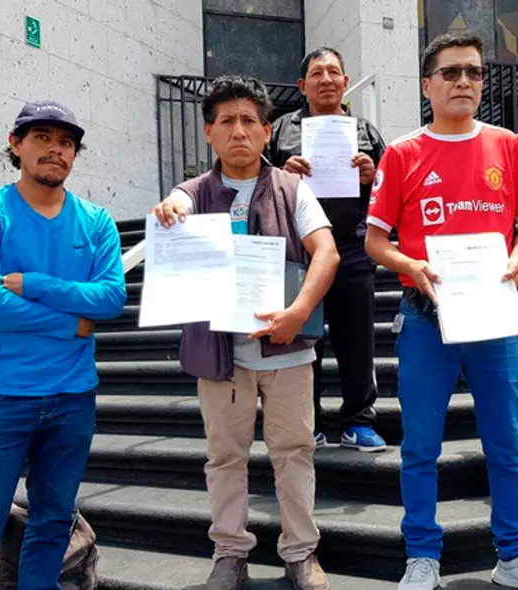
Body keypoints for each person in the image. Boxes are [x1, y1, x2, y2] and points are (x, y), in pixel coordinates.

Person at [365, 33, 518, 590]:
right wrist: (411, 265)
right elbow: (375, 241)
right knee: (420, 446)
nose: (464, 82)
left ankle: (516, 554)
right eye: (451, 72)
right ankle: (422, 556)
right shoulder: (403, 153)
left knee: (507, 444)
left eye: (474, 73)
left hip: (494, 317)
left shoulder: (506, 146)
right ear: (427, 84)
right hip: (424, 317)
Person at [152, 75, 339, 590]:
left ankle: (300, 553)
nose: (239, 131)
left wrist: (299, 311)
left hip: (286, 349)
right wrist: (171, 211)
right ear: (208, 131)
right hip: (221, 356)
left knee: (295, 453)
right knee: (225, 458)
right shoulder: (193, 192)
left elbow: (326, 252)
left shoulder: (292, 189)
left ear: (266, 130)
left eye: (249, 121)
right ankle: (230, 554)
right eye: (227, 121)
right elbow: (176, 206)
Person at [0, 100, 128, 589]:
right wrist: (71, 325)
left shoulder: (95, 220)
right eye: (42, 137)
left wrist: (37, 284)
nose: (56, 149)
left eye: (66, 142)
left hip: (72, 396)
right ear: (16, 144)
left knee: (53, 525)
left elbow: (111, 298)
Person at [267, 47, 387, 452]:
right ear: (302, 85)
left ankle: (359, 421)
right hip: (299, 249)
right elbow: (261, 184)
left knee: (358, 339)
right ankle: (310, 423)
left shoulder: (365, 131)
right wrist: (282, 175)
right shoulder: (281, 130)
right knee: (304, 340)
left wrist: (372, 177)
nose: (326, 80)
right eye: (317, 73)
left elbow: (390, 191)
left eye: (334, 72)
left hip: (352, 245)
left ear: (345, 81)